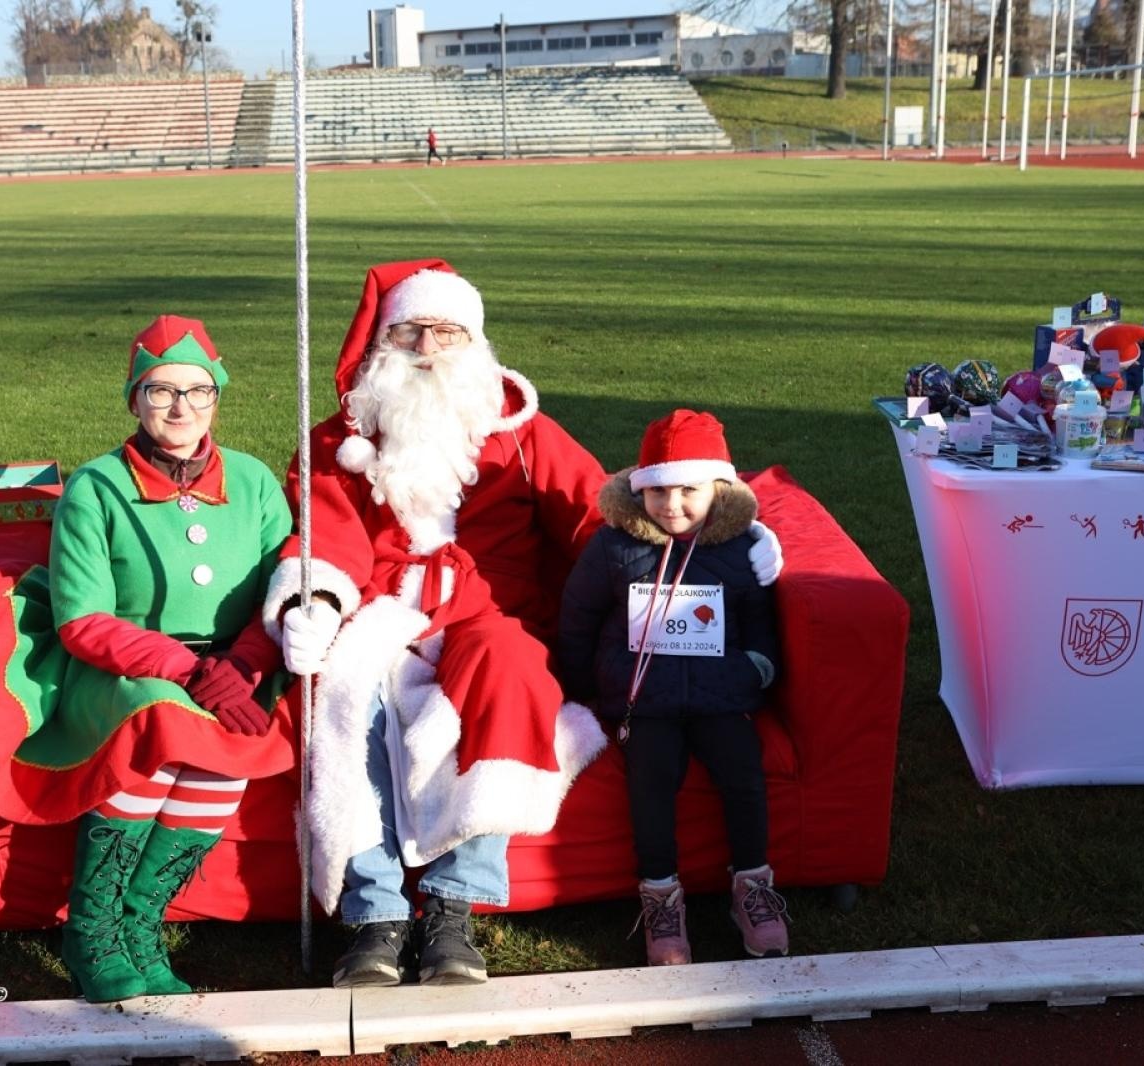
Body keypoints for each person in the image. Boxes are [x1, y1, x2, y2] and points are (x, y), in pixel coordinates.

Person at [262, 261, 784, 987]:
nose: (428, 348)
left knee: (509, 672)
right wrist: (313, 599)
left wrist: (719, 543)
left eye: (447, 332)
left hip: (495, 608)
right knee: (346, 697)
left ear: (473, 342)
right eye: (411, 331)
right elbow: (329, 535)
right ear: (385, 342)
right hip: (381, 611)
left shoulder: (520, 430)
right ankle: (374, 914)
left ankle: (451, 909)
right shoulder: (338, 441)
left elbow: (594, 517)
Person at [14, 315, 296, 1002]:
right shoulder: (97, 487)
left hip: (236, 668)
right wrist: (191, 671)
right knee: (162, 723)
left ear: (217, 399)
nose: (181, 408)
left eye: (198, 392)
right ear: (135, 399)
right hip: (127, 670)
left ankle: (141, 925)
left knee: (231, 748)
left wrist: (248, 666)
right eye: (161, 391)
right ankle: (94, 930)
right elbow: (83, 620)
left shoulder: (255, 482)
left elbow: (281, 588)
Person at [557, 409, 789, 963]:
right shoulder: (614, 546)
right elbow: (578, 615)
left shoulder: (739, 548)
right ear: (639, 492)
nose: (672, 504)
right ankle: (660, 896)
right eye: (658, 490)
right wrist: (576, 686)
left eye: (689, 489)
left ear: (718, 488)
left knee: (743, 773)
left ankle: (752, 887)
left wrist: (757, 666)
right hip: (643, 700)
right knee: (651, 781)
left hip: (721, 693)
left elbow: (760, 617)